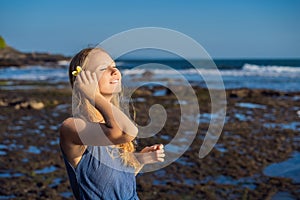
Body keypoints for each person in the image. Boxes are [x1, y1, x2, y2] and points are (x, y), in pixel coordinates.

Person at [59, 47, 165, 199]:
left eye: (114, 67)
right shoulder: (72, 128)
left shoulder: (112, 123)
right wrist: (93, 95)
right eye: (104, 68)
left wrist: (139, 159)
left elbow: (113, 183)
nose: (115, 72)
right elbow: (126, 132)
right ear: (83, 80)